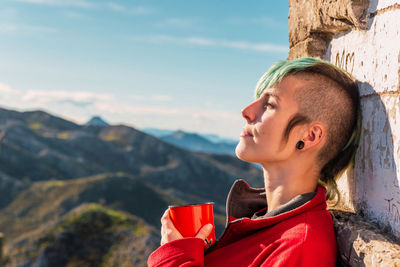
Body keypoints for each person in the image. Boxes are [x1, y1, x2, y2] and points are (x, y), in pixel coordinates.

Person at [147, 57, 361, 267]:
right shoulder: (267, 225)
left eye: (269, 104)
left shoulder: (300, 248)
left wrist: (176, 259)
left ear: (309, 137)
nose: (246, 112)